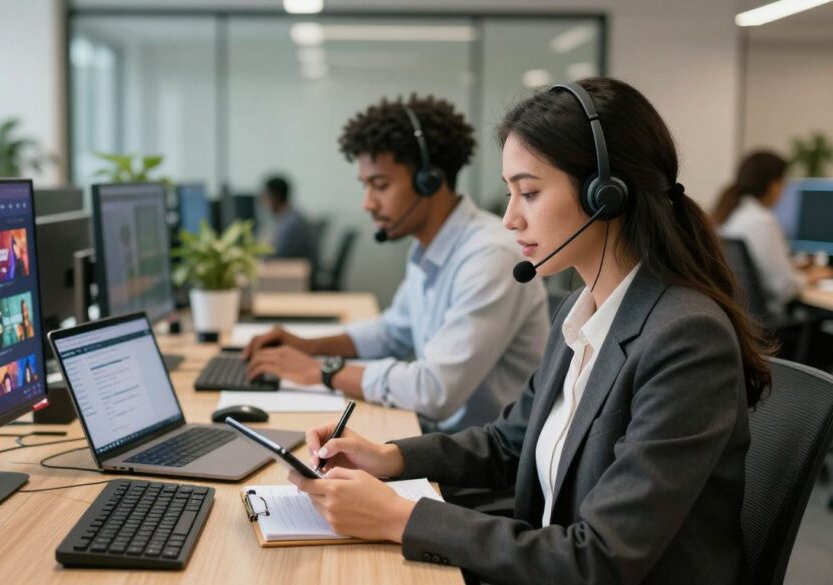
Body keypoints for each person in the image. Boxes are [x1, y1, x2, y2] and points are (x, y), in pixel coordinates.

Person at [291, 78, 771, 584]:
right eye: (509, 194)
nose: (510, 218)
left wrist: (397, 517)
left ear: (606, 195)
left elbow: (601, 559)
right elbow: (510, 442)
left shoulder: (686, 339)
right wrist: (389, 458)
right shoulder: (582, 312)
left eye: (530, 192)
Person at [245, 95, 550, 431]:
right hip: (445, 441)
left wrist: (321, 370)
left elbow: (435, 391)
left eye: (380, 185)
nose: (367, 203)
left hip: (483, 465)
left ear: (429, 180)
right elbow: (393, 332)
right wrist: (308, 346)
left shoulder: (491, 257)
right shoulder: (427, 248)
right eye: (365, 186)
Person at [713, 150, 833, 315]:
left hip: (741, 318)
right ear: (773, 185)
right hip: (772, 326)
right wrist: (811, 277)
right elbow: (784, 288)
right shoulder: (763, 221)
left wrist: (792, 267)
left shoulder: (732, 212)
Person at [260, 175, 319, 270]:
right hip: (297, 272)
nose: (262, 201)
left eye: (265, 196)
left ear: (274, 197)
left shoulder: (292, 223)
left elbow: (277, 255)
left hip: (302, 277)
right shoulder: (288, 216)